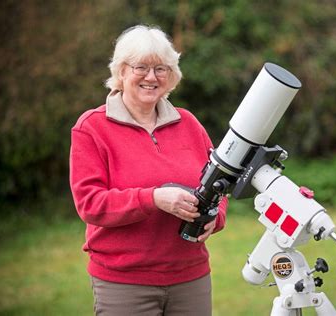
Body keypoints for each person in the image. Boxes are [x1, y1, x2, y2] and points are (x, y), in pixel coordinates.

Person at [69, 24, 228, 316]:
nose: (151, 77)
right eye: (140, 67)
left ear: (171, 76)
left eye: (161, 68)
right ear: (121, 72)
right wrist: (153, 199)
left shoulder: (189, 123)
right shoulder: (92, 128)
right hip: (125, 283)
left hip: (190, 278)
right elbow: (90, 204)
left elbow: (218, 183)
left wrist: (215, 217)